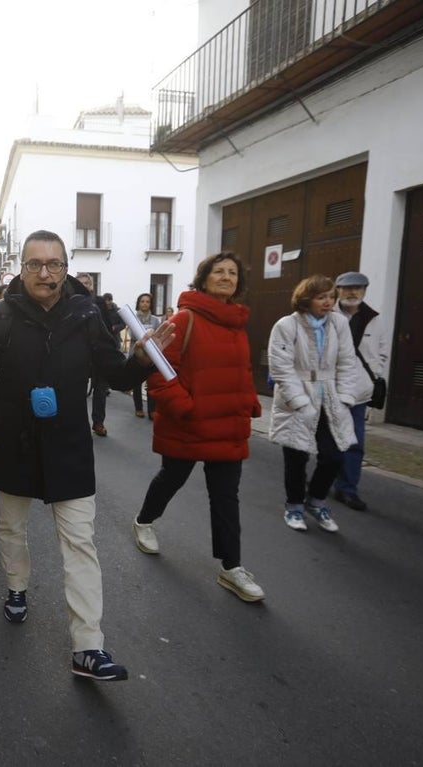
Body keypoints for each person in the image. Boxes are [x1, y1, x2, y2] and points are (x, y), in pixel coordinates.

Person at [0, 230, 174, 682]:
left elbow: (117, 376)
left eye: (54, 264)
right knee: (12, 526)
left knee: (81, 544)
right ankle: (16, 588)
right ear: (22, 268)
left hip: (69, 447)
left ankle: (88, 647)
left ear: (66, 268)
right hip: (15, 443)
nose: (45, 273)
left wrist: (145, 359)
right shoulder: (2, 315)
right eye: (35, 264)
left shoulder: (87, 314)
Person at [131, 254, 265, 602]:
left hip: (227, 426)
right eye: (218, 271)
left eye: (233, 272)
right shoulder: (184, 319)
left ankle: (231, 567)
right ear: (203, 278)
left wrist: (249, 401)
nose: (226, 277)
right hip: (189, 425)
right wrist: (188, 409)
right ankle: (144, 521)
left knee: (225, 497)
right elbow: (159, 375)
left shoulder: (237, 323)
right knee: (171, 479)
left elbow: (242, 372)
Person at [268, 275, 372, 534]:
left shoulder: (338, 323)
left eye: (331, 297)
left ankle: (316, 500)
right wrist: (300, 401)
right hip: (298, 396)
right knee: (296, 455)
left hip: (331, 396)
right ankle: (294, 505)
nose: (328, 302)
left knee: (335, 453)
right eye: (321, 297)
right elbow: (281, 367)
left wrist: (347, 396)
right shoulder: (286, 325)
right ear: (306, 299)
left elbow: (347, 361)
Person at [332, 271, 389, 511]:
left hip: (358, 394)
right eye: (347, 289)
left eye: (357, 288)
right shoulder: (326, 314)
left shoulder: (374, 319)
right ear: (338, 291)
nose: (352, 293)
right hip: (329, 391)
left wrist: (372, 376)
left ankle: (347, 489)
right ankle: (317, 482)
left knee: (354, 444)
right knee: (322, 441)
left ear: (364, 291)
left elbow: (381, 353)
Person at [75, 273, 114, 437]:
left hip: (98, 355)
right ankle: (78, 424)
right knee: (77, 392)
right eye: (80, 283)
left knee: (100, 391)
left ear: (91, 285)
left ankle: (98, 422)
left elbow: (108, 326)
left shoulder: (99, 303)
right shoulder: (69, 304)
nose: (84, 285)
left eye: (87, 283)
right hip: (79, 356)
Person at [130, 293, 160, 419]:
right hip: (137, 353)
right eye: (142, 301)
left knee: (151, 382)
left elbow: (157, 335)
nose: (145, 304)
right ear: (139, 303)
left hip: (151, 355)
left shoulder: (155, 320)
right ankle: (138, 408)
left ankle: (152, 409)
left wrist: (147, 336)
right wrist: (147, 335)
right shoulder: (133, 318)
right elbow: (133, 335)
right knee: (137, 382)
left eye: (147, 301)